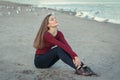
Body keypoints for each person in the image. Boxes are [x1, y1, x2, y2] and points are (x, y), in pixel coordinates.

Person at [33, 14, 98, 76]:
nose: (55, 19)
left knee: (63, 49)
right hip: (39, 61)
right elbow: (60, 45)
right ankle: (79, 69)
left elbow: (66, 46)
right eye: (52, 19)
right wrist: (75, 56)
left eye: (55, 18)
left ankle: (82, 66)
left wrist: (74, 56)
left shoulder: (59, 34)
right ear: (48, 24)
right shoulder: (47, 35)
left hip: (48, 63)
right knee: (58, 49)